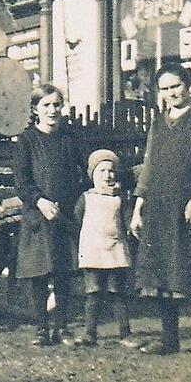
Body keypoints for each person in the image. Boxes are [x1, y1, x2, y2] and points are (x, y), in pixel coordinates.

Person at [129, 63, 191, 360]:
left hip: (190, 208)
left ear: (188, 86)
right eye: (165, 88)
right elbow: (149, 165)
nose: (172, 93)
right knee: (162, 273)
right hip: (159, 208)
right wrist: (138, 206)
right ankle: (169, 338)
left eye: (176, 86)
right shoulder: (159, 122)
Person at [13, 83, 86, 346]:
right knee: (39, 273)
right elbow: (21, 181)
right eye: (46, 105)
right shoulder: (27, 141)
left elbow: (83, 172)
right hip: (38, 216)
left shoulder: (69, 139)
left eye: (56, 105)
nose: (52, 110)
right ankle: (41, 328)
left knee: (63, 272)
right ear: (35, 109)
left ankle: (62, 327)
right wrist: (40, 201)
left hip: (65, 214)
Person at [72, 149, 139, 348]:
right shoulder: (86, 198)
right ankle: (90, 333)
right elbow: (76, 221)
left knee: (118, 293)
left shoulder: (119, 199)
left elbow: (128, 220)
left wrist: (133, 227)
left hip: (115, 250)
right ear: (92, 175)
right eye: (101, 171)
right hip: (93, 252)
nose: (107, 175)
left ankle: (125, 333)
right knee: (93, 292)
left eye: (111, 171)